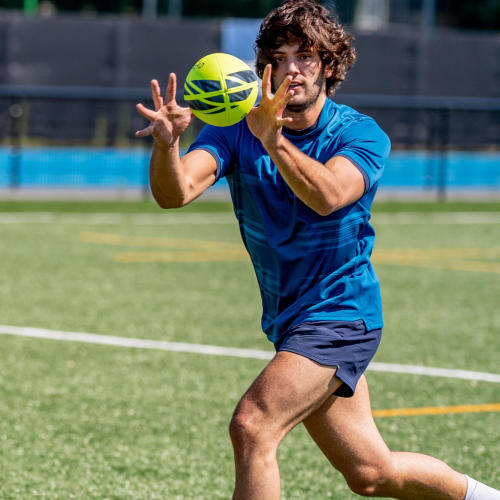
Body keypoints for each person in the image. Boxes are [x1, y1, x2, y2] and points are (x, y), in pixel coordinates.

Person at [136, 1, 499, 498]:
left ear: (329, 64)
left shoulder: (358, 134)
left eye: (305, 56)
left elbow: (328, 195)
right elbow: (173, 193)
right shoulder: (236, 127)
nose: (291, 69)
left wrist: (272, 139)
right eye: (279, 57)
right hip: (292, 318)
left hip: (341, 314)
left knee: (253, 426)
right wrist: (167, 145)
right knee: (371, 474)